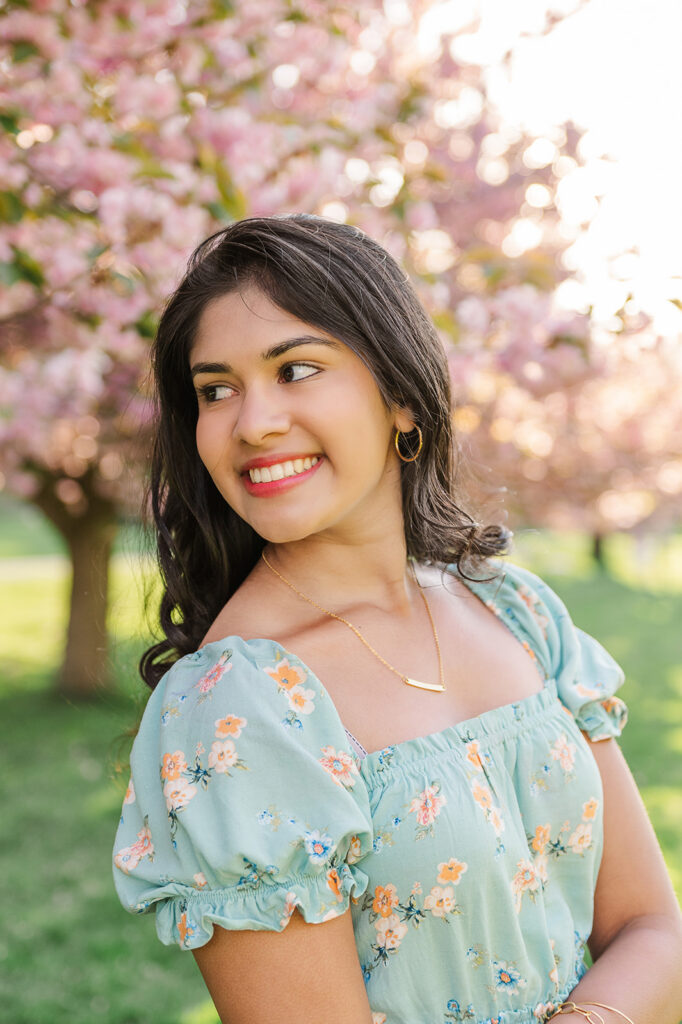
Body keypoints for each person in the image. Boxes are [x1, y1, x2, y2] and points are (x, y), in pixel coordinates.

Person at [112, 214, 682, 1024]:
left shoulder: (513, 612)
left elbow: (654, 929)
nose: (253, 422)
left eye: (296, 369)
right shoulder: (237, 709)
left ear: (403, 402)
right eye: (216, 390)